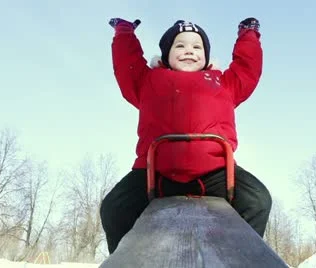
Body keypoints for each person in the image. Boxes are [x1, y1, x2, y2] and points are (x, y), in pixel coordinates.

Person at [100, 17, 272, 254]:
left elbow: (247, 69)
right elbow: (126, 63)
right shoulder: (148, 80)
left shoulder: (223, 82)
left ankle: (238, 257)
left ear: (206, 55)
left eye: (196, 46)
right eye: (179, 45)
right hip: (155, 173)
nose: (189, 51)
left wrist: (248, 35)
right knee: (114, 207)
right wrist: (124, 32)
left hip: (216, 174)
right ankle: (129, 259)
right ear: (166, 54)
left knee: (257, 200)